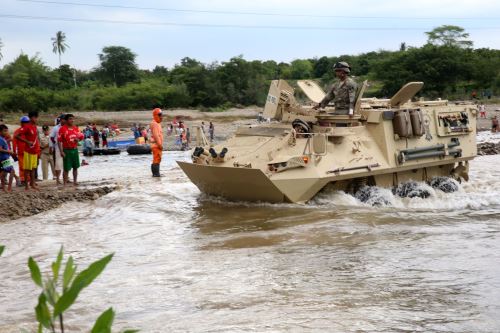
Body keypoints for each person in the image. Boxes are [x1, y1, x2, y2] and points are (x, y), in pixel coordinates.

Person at [15, 111, 40, 191]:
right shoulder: (27, 127)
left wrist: (38, 149)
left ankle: (32, 184)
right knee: (26, 169)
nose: (36, 119)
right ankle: (26, 186)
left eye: (36, 117)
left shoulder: (35, 126)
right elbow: (17, 136)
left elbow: (36, 138)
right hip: (28, 151)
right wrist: (27, 142)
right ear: (31, 118)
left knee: (33, 169)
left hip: (34, 151)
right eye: (35, 117)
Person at [58, 114, 84, 186]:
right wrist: (61, 151)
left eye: (73, 119)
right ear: (66, 120)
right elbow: (59, 141)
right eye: (70, 119)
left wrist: (77, 139)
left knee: (75, 167)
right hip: (66, 150)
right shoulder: (62, 129)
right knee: (66, 168)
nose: (72, 120)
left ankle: (75, 181)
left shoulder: (75, 128)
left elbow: (81, 136)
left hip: (75, 150)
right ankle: (65, 184)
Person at [12, 117, 29, 183]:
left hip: (29, 151)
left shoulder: (29, 131)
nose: (26, 124)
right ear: (21, 123)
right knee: (22, 166)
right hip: (21, 152)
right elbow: (14, 142)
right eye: (25, 122)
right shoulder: (17, 131)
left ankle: (28, 179)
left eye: (27, 122)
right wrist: (14, 152)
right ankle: (22, 179)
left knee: (29, 166)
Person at [0, 124, 17, 192]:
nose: (6, 132)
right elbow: (0, 149)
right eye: (5, 131)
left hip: (4, 158)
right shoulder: (1, 139)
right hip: (4, 158)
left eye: (7, 131)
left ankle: (4, 188)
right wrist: (9, 151)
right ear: (0, 132)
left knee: (3, 173)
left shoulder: (3, 139)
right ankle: (9, 188)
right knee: (11, 171)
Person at [49, 115, 65, 185]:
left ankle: (65, 178)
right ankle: (58, 179)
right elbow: (51, 137)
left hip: (67, 147)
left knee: (66, 164)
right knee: (58, 164)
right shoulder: (56, 128)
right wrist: (52, 146)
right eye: (63, 119)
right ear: (61, 120)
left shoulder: (67, 127)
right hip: (57, 147)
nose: (64, 121)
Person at [150, 108, 164, 177]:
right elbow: (156, 136)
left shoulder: (157, 123)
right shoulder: (155, 124)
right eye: (160, 115)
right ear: (155, 115)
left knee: (157, 159)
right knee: (156, 159)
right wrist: (159, 145)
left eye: (161, 115)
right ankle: (156, 174)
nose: (161, 117)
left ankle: (156, 174)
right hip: (156, 145)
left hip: (156, 145)